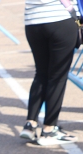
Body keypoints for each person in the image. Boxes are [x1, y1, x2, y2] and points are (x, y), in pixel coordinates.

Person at [20, 0, 79, 145]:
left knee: (41, 73)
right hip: (60, 18)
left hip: (32, 21)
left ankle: (30, 123)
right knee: (57, 77)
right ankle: (49, 129)